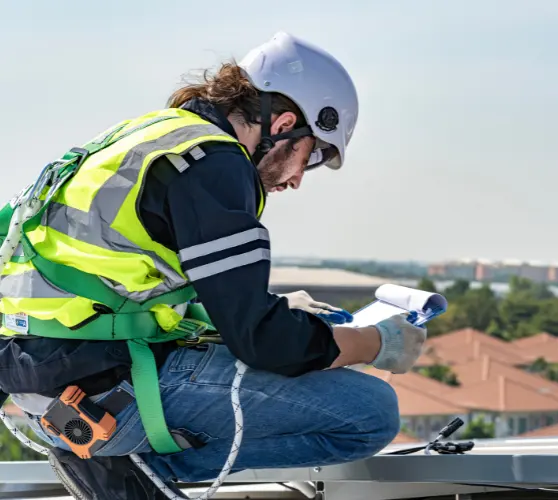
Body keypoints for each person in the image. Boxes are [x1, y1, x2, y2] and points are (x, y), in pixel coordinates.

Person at [0, 32, 427, 496]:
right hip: (107, 397)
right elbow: (261, 343)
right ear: (284, 124)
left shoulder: (150, 136)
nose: (299, 178)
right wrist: (371, 343)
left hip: (45, 394)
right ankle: (142, 465)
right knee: (369, 413)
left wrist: (280, 309)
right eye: (313, 155)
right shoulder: (214, 162)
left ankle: (109, 455)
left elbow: (120, 291)